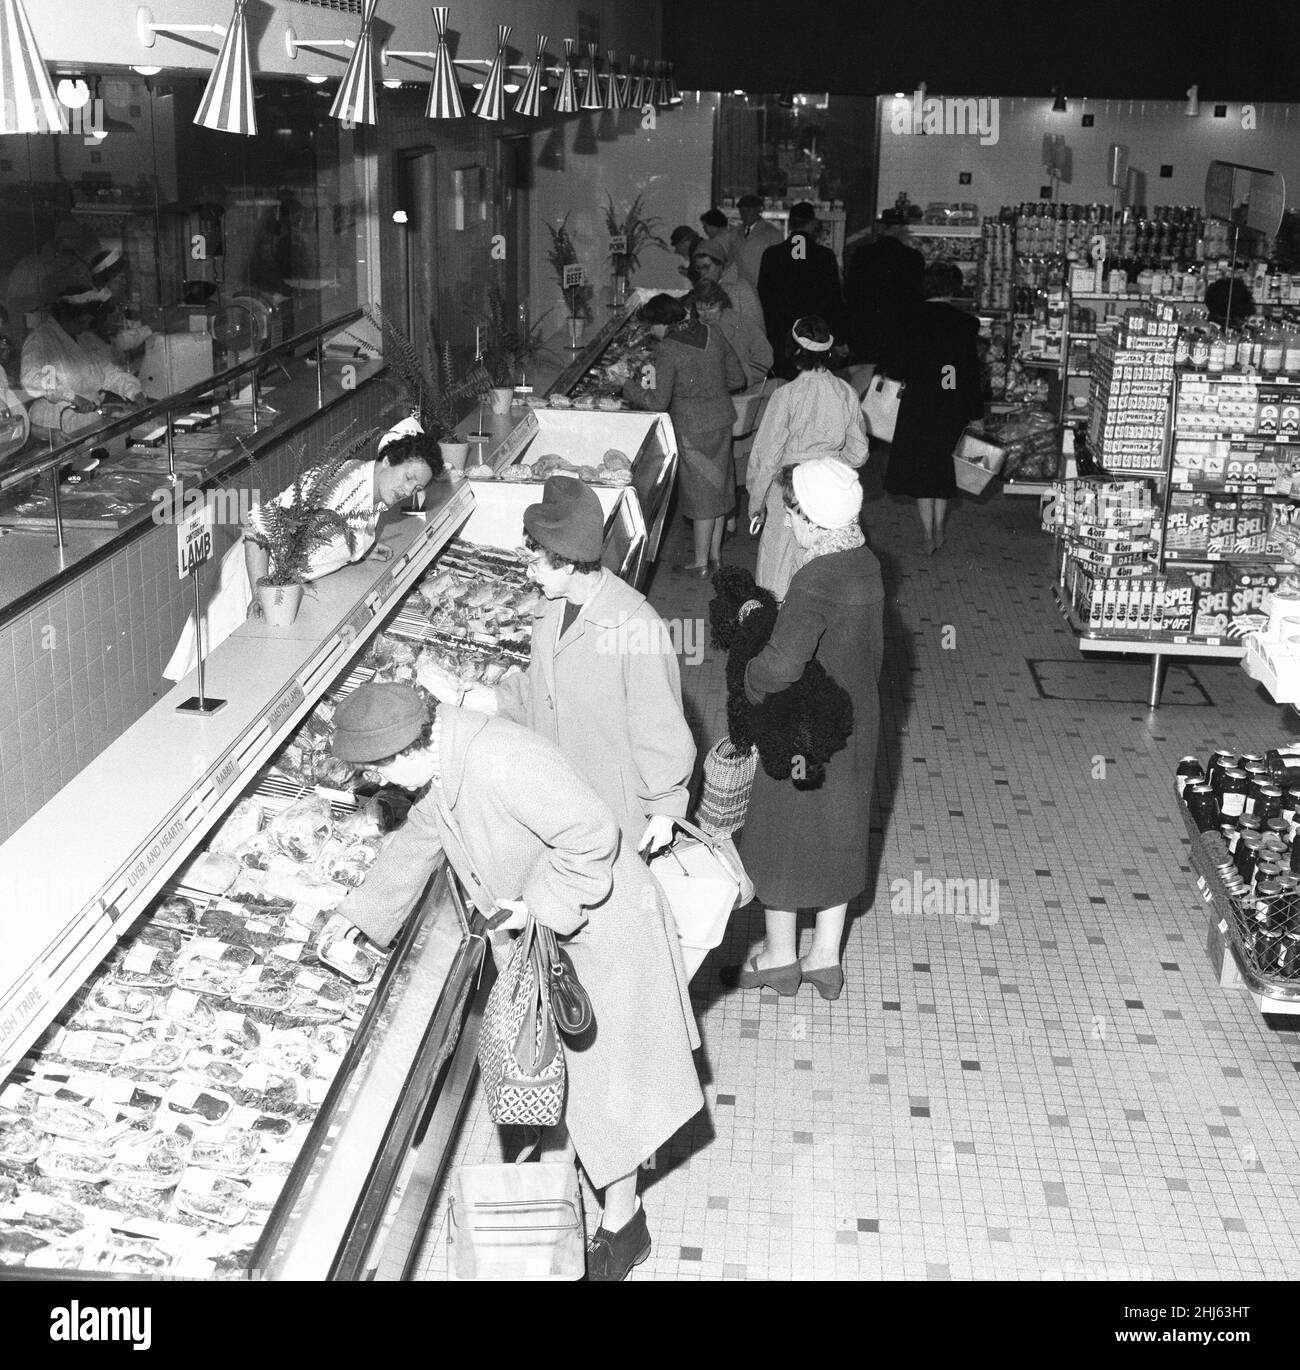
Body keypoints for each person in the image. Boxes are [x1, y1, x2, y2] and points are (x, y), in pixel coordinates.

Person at [331, 681, 704, 1281]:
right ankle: (610, 1210)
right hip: (553, 934)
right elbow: (424, 835)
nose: (377, 784)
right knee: (572, 1081)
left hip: (599, 929)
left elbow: (592, 837)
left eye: (377, 770)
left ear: (408, 750)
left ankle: (623, 1225)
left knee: (610, 1089)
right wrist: (361, 915)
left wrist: (537, 906)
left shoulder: (502, 758)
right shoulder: (441, 757)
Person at [417, 475, 695, 857]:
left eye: (533, 562)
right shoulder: (550, 606)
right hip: (557, 799)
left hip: (615, 814)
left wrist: (665, 810)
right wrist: (488, 698)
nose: (526, 573)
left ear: (566, 562)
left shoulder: (636, 626)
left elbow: (660, 727)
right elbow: (543, 687)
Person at [728, 460, 883, 1000]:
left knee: (782, 834)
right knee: (838, 832)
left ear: (814, 521)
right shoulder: (864, 562)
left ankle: (777, 956)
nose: (787, 525)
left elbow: (782, 664)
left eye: (791, 515)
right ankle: (824, 958)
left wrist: (748, 677)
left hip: (804, 731)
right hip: (856, 724)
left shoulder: (816, 577)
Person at [162, 419, 439, 679]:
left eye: (416, 487)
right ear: (388, 461)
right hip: (253, 584)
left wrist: (363, 547)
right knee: (219, 680)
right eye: (407, 477)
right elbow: (258, 527)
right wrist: (259, 591)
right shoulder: (340, 482)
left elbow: (334, 527)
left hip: (282, 595)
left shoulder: (376, 493)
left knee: (248, 681)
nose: (408, 490)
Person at [623, 293, 746, 576]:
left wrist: (627, 385)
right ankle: (715, 557)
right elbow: (737, 378)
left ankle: (700, 564)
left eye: (652, 326)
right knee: (719, 491)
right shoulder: (711, 331)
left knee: (702, 495)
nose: (651, 332)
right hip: (721, 419)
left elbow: (657, 401)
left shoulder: (668, 349)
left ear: (661, 323)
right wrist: (709, 385)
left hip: (692, 428)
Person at [747, 316, 868, 600]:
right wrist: (834, 464)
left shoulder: (786, 395)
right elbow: (859, 452)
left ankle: (779, 628)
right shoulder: (846, 392)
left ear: (793, 351)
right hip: (829, 484)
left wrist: (756, 502)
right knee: (824, 559)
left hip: (787, 485)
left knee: (778, 561)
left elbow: (767, 456)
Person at [880, 261, 984, 553]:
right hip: (953, 402)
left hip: (920, 403)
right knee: (944, 465)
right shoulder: (966, 323)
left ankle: (928, 533)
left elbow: (898, 368)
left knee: (924, 467)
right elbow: (971, 371)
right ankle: (939, 526)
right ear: (953, 288)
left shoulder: (909, 319)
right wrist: (977, 414)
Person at [20, 288, 145, 438]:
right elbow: (32, 377)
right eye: (83, 320)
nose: (86, 325)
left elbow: (108, 372)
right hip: (56, 423)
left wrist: (134, 392)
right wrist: (71, 397)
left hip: (89, 420)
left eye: (88, 320)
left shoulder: (86, 338)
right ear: (69, 315)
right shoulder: (41, 339)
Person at [757, 202, 846, 379]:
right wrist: (839, 337)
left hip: (780, 334)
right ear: (812, 223)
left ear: (790, 224)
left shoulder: (772, 254)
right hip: (815, 334)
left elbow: (763, 297)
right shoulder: (825, 256)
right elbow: (834, 300)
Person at [844, 229, 925, 364]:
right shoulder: (913, 257)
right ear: (901, 231)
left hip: (866, 324)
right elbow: (917, 295)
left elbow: (851, 291)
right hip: (901, 326)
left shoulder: (862, 253)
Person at [691, 279, 772, 386]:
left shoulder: (742, 323)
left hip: (744, 388)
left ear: (721, 302)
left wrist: (744, 378)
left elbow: (764, 354)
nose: (706, 315)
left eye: (711, 307)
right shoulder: (692, 330)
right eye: (700, 309)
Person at [692, 239, 765, 332]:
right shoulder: (704, 288)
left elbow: (755, 329)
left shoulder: (742, 288)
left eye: (706, 267)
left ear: (721, 265)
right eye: (698, 268)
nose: (702, 273)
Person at [731, 194, 784, 292]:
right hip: (739, 288)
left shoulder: (772, 233)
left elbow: (779, 265)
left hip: (762, 287)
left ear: (759, 210)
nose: (745, 214)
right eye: (742, 211)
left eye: (749, 210)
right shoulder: (735, 232)